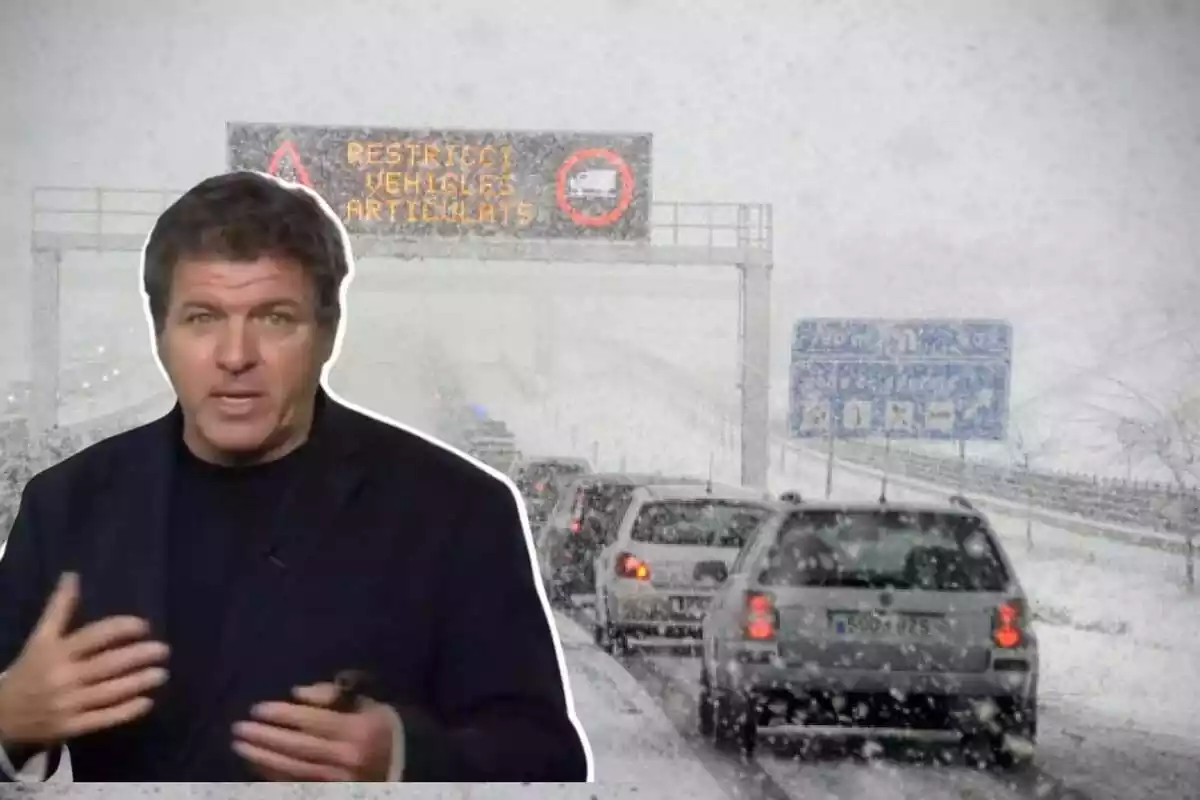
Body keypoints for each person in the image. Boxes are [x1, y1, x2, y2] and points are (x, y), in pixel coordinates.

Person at [0, 170, 593, 782]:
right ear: (160, 334)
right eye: (202, 318)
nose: (235, 356)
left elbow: (550, 764)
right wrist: (7, 718)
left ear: (328, 333)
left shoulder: (460, 512)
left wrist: (403, 760)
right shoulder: (66, 506)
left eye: (275, 318)